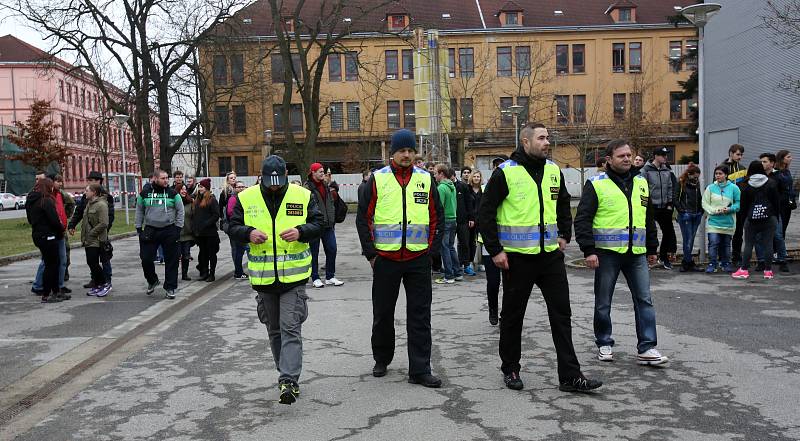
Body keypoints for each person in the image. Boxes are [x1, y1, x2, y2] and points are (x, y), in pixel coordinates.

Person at [479, 123, 602, 393]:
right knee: (513, 316)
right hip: (516, 259)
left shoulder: (553, 171)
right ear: (525, 141)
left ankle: (570, 375)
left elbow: (563, 206)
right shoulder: (505, 173)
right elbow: (485, 213)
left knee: (562, 315)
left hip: (550, 258)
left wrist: (564, 236)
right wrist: (495, 250)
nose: (548, 142)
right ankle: (510, 369)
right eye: (542, 138)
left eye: (549, 138)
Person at [227, 155, 323, 405]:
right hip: (263, 278)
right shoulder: (245, 198)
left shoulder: (301, 195)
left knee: (290, 327)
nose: (274, 186)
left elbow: (319, 224)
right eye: (269, 182)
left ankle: (288, 380)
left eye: (278, 181)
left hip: (294, 277)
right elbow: (230, 226)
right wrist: (248, 233)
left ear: (285, 176)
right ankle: (285, 374)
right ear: (261, 177)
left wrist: (301, 231)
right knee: (274, 330)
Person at [356, 128, 444, 388]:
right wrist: (371, 254)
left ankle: (420, 369)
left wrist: (431, 252)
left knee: (420, 315)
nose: (406, 155)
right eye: (401, 151)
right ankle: (382, 358)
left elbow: (436, 217)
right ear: (392, 154)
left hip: (418, 259)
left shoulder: (426, 179)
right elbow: (364, 218)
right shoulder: (377, 179)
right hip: (386, 258)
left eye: (410, 150)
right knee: (383, 314)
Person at [575, 139, 668, 366]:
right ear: (609, 159)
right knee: (603, 301)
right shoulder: (596, 183)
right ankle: (604, 342)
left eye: (629, 155)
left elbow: (648, 217)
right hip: (606, 253)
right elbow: (583, 219)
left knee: (644, 300)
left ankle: (647, 347)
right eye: (621, 156)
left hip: (636, 253)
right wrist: (589, 250)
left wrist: (652, 248)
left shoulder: (641, 182)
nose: (626, 159)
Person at [135, 169, 185, 299]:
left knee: (172, 260)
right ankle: (152, 280)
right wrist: (139, 228)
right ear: (155, 179)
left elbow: (180, 211)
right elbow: (139, 210)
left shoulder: (173, 194)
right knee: (146, 259)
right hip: (150, 230)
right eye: (163, 178)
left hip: (169, 229)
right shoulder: (145, 193)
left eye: (167, 178)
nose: (166, 180)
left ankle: (170, 287)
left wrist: (178, 229)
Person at [732, 161, 780, 280]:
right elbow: (776, 202)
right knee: (768, 243)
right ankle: (768, 271)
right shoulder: (771, 183)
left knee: (749, 244)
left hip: (751, 219)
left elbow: (743, 206)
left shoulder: (745, 184)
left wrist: (743, 220)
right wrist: (776, 216)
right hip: (769, 218)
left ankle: (744, 270)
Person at [68, 171, 115, 289]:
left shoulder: (106, 197)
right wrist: (72, 225)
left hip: (101, 234)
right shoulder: (86, 197)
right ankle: (95, 279)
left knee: (104, 259)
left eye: (91, 180)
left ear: (98, 181)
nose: (89, 182)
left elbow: (109, 217)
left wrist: (103, 231)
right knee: (92, 259)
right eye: (89, 180)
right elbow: (78, 212)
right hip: (90, 235)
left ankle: (106, 280)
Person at [26, 178, 68, 303]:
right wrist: (61, 228)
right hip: (48, 236)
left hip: (38, 235)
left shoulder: (32, 201)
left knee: (51, 264)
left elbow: (30, 220)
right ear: (48, 187)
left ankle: (55, 292)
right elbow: (54, 220)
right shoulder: (46, 201)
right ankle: (47, 294)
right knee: (51, 266)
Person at [304, 162, 343, 288]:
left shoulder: (326, 185)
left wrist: (331, 219)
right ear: (313, 173)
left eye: (323, 171)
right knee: (314, 252)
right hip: (314, 225)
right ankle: (315, 277)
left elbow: (330, 203)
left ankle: (330, 276)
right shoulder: (307, 187)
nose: (323, 174)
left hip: (328, 225)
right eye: (320, 171)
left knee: (332, 249)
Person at [639, 147, 678, 269]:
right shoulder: (645, 170)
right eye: (663, 155)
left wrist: (670, 203)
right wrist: (646, 205)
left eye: (666, 155)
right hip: (651, 207)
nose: (665, 157)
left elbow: (671, 187)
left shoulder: (667, 170)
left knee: (668, 233)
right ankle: (648, 257)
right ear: (655, 156)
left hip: (664, 207)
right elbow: (642, 189)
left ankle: (663, 257)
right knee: (650, 232)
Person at [702, 165, 740, 273]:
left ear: (726, 175)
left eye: (720, 173)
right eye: (716, 173)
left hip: (728, 222)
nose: (718, 176)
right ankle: (712, 264)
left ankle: (725, 263)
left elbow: (738, 204)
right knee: (713, 243)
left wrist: (729, 209)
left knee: (726, 244)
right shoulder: (710, 188)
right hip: (713, 222)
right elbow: (704, 203)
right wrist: (713, 211)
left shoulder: (734, 188)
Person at [756, 153, 789, 272]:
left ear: (772, 163)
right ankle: (761, 261)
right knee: (758, 237)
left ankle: (782, 260)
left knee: (778, 236)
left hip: (774, 212)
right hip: (760, 211)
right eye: (761, 161)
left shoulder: (779, 176)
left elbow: (784, 194)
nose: (762, 164)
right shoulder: (758, 176)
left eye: (764, 161)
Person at [81, 183, 111, 297]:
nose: (85, 192)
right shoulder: (89, 204)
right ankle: (98, 285)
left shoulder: (101, 205)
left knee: (94, 263)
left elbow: (104, 223)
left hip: (97, 239)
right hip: (89, 239)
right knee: (91, 263)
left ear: (94, 192)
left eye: (87, 190)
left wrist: (91, 234)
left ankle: (105, 284)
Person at [674, 164, 704, 272]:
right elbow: (675, 199)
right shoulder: (681, 182)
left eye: (698, 177)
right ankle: (687, 262)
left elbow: (700, 197)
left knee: (691, 240)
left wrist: (701, 211)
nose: (696, 179)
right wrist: (682, 212)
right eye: (695, 177)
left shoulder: (697, 184)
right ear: (689, 174)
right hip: (686, 215)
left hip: (696, 214)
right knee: (688, 240)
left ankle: (687, 262)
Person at [434, 164, 461, 284]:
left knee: (444, 248)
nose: (434, 176)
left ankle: (449, 275)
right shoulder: (452, 186)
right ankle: (458, 272)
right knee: (450, 247)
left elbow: (440, 207)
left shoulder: (441, 188)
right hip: (453, 219)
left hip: (444, 221)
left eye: (435, 173)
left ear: (441, 174)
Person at [723, 144, 748, 265]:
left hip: (740, 206)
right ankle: (723, 257)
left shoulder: (743, 168)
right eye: (738, 154)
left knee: (738, 233)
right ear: (731, 153)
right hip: (726, 206)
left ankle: (736, 257)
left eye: (741, 154)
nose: (740, 157)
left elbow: (745, 186)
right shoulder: (722, 167)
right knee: (725, 232)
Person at [193, 178, 221, 282]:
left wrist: (206, 223)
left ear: (207, 188)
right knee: (203, 254)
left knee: (211, 254)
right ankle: (204, 272)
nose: (200, 189)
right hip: (200, 233)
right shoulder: (197, 199)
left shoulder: (212, 199)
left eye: (202, 187)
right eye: (199, 187)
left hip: (210, 233)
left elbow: (216, 215)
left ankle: (212, 273)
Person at [227, 180, 249, 279]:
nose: (241, 189)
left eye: (243, 187)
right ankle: (238, 272)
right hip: (237, 228)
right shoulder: (233, 199)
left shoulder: (245, 198)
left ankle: (239, 272)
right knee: (239, 251)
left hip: (244, 227)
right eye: (239, 187)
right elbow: (230, 212)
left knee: (243, 250)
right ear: (235, 188)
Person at [175, 183, 195, 281]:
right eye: (181, 189)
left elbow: (194, 216)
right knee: (176, 256)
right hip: (176, 234)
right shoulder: (173, 202)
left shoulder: (190, 202)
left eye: (185, 189)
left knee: (186, 256)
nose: (183, 191)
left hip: (187, 234)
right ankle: (173, 274)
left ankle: (184, 274)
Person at [775, 150, 796, 240]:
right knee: (779, 229)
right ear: (781, 159)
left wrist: (792, 198)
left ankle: (781, 251)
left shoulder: (787, 171)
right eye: (788, 157)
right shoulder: (776, 172)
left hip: (788, 203)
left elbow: (790, 187)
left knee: (784, 227)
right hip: (780, 204)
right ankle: (776, 251)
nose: (791, 158)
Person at [466, 170, 483, 274]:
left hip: (481, 220)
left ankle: (480, 263)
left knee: (481, 243)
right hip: (471, 220)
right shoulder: (467, 189)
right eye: (475, 176)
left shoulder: (483, 189)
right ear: (472, 178)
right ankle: (470, 262)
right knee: (470, 242)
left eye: (478, 177)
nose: (476, 178)